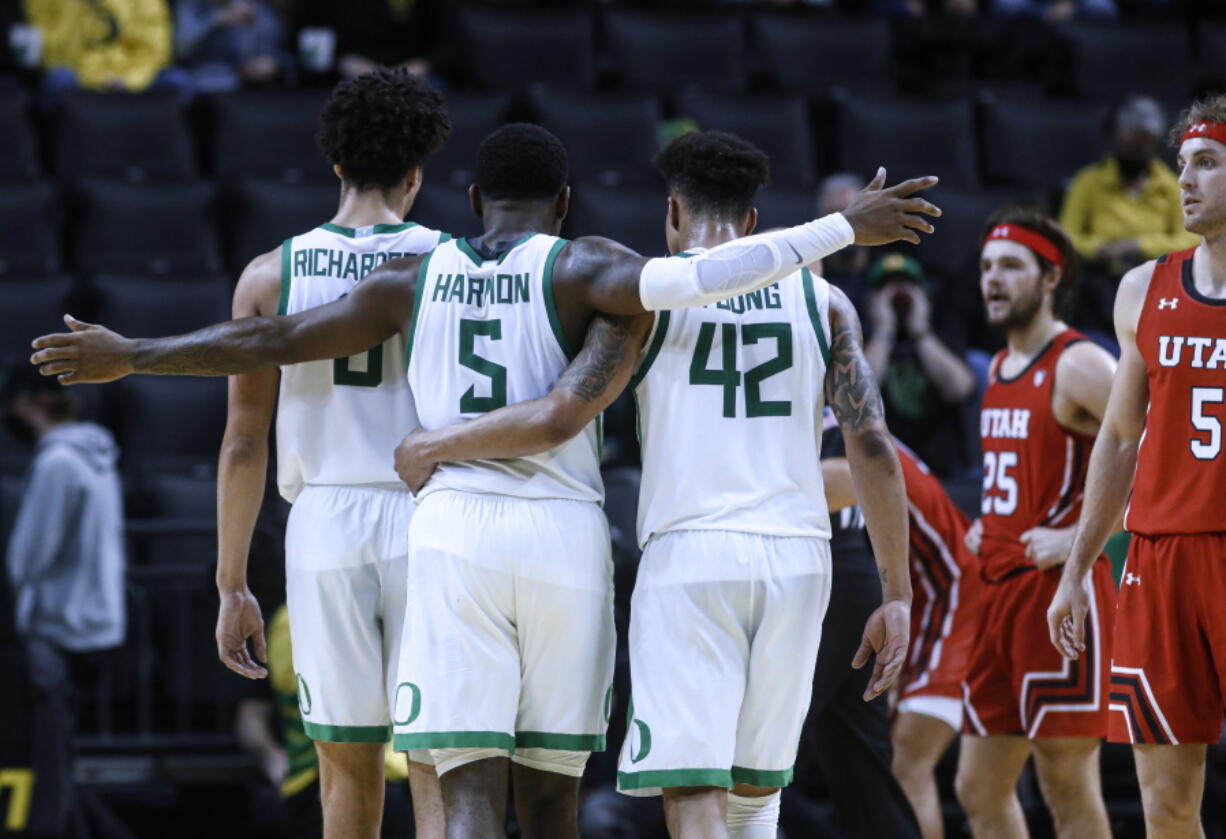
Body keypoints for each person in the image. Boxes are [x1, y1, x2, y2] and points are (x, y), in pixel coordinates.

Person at [29, 123, 939, 839]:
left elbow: (273, 340)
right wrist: (839, 231)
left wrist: (134, 353)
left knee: (459, 784)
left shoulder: (417, 272)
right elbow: (694, 287)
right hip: (575, 540)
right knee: (557, 799)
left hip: (455, 531)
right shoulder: (590, 267)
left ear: (467, 199)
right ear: (566, 202)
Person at [387, 130, 932, 839]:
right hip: (799, 559)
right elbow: (873, 446)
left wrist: (435, 443)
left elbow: (562, 412)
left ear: (672, 213)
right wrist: (897, 590)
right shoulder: (827, 304)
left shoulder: (643, 306)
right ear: (754, 222)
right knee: (755, 796)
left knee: (693, 792)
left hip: (689, 557)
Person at [205, 68, 451, 839]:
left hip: (326, 523)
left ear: (335, 164)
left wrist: (232, 582)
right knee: (442, 752)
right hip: (431, 514)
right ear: (418, 171)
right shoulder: (453, 262)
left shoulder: (268, 274)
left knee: (345, 762)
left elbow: (245, 439)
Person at [1048, 96, 1226, 837]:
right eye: (1182, 165)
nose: (1185, 180)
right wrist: (1075, 568)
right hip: (1159, 557)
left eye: (1208, 163)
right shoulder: (1142, 288)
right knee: (1167, 802)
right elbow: (1119, 438)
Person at [957, 210, 1118, 838]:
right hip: (997, 593)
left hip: (1060, 596)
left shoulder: (1079, 362)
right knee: (977, 787)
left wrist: (1083, 540)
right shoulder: (997, 370)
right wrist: (987, 525)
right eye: (986, 267)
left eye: (1011, 267)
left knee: (1066, 782)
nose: (993, 280)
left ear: (1049, 278)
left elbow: (1166, 455)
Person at [3, 363, 125, 662]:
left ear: (38, 403)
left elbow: (31, 555)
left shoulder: (57, 463)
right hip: (99, 617)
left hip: (61, 625)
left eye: (16, 405)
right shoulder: (97, 451)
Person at [863, 252, 976, 477]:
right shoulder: (861, 337)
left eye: (907, 286)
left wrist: (921, 332)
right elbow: (860, 396)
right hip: (882, 466)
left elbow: (961, 390)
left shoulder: (943, 332)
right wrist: (884, 331)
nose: (897, 296)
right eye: (886, 288)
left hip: (940, 468)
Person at [23, 0, 190, 107]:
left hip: (129, 74)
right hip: (79, 77)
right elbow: (48, 53)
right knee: (58, 79)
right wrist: (74, 10)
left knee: (176, 80)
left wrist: (129, 78)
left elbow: (155, 48)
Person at [175, 0, 289, 93]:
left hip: (252, 89)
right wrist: (217, 20)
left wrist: (273, 64)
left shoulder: (256, 9)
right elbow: (182, 50)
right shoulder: (192, 6)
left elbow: (279, 52)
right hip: (202, 86)